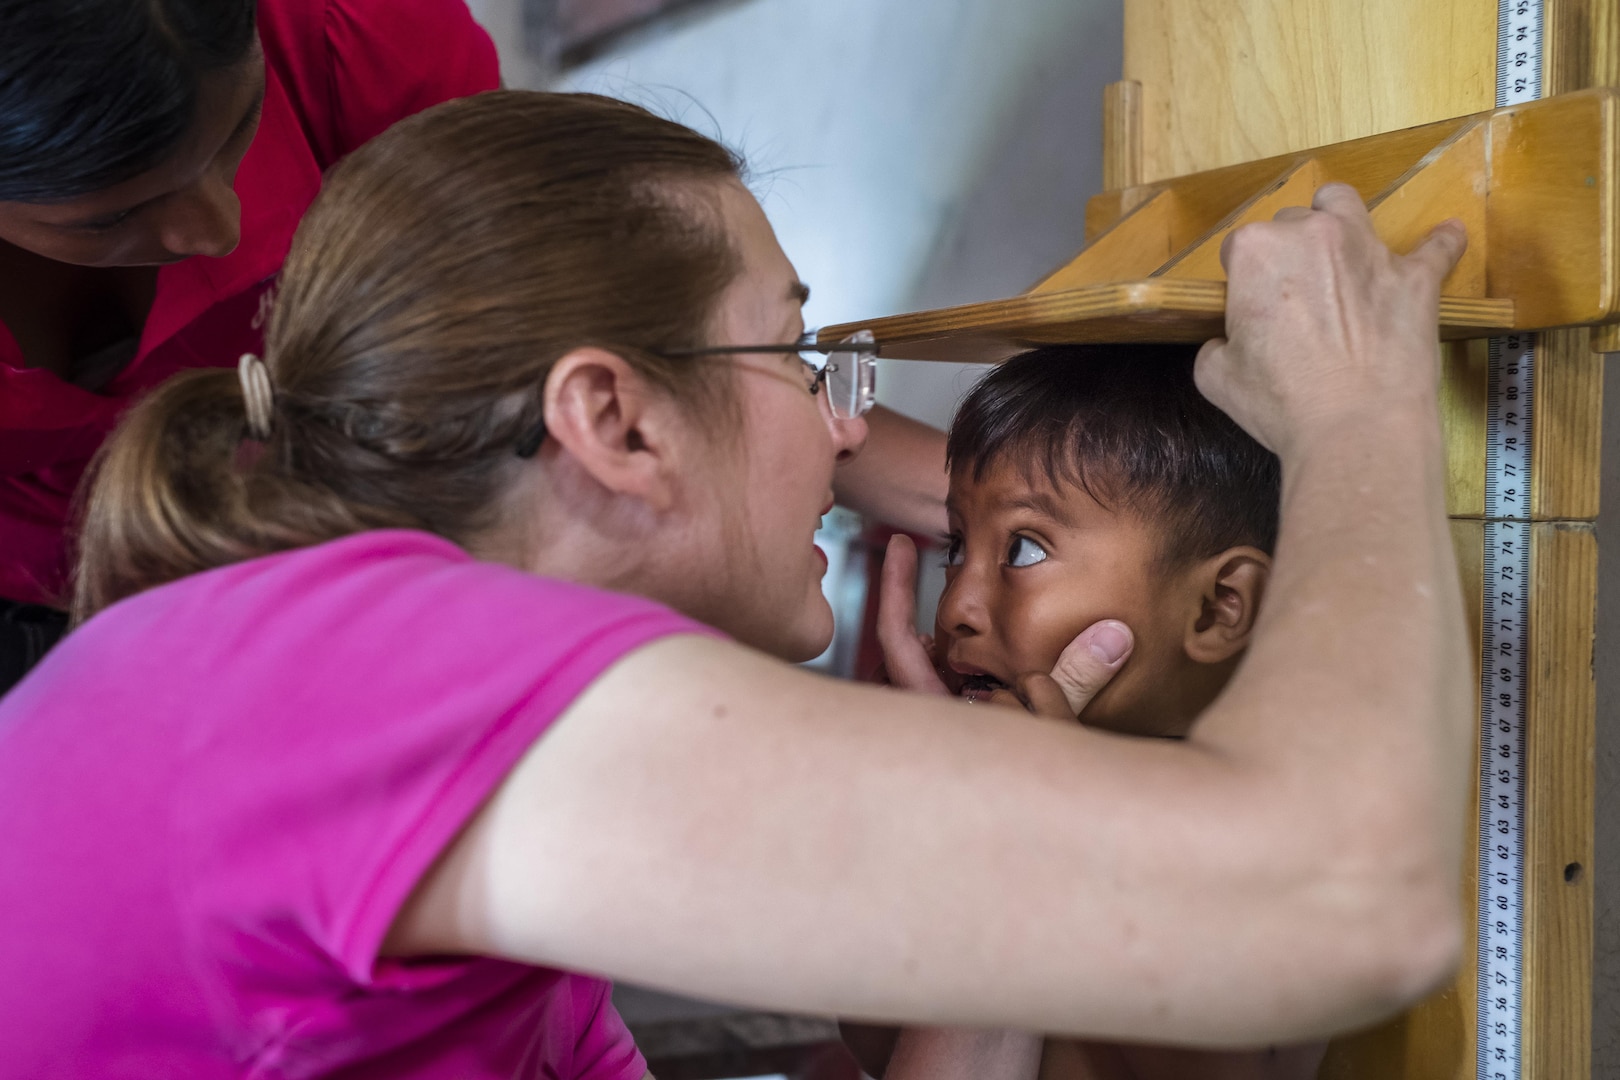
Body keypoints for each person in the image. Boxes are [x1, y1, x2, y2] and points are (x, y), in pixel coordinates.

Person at [0, 91, 1472, 1078]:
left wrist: (997, 847)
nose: (842, 424)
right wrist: (1357, 412)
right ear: (616, 422)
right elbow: (1358, 903)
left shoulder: (471, 859)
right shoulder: (377, 675)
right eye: (791, 351)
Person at [0, 0, 947, 693]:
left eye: (240, 130)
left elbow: (611, 308)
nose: (219, 227)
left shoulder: (348, 30)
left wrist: (993, 494)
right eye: (113, 215)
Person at [848, 345, 1327, 1078]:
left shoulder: (1244, 832)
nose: (957, 608)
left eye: (1026, 550)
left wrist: (1063, 825)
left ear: (1219, 607)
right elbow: (879, 1044)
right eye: (956, 546)